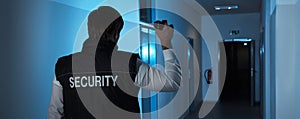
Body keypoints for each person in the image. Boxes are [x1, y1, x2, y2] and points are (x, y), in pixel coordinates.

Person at [48, 6, 182, 119]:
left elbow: (55, 113)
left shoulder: (63, 66)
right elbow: (172, 82)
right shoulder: (129, 64)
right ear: (116, 35)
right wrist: (166, 42)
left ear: (89, 30)